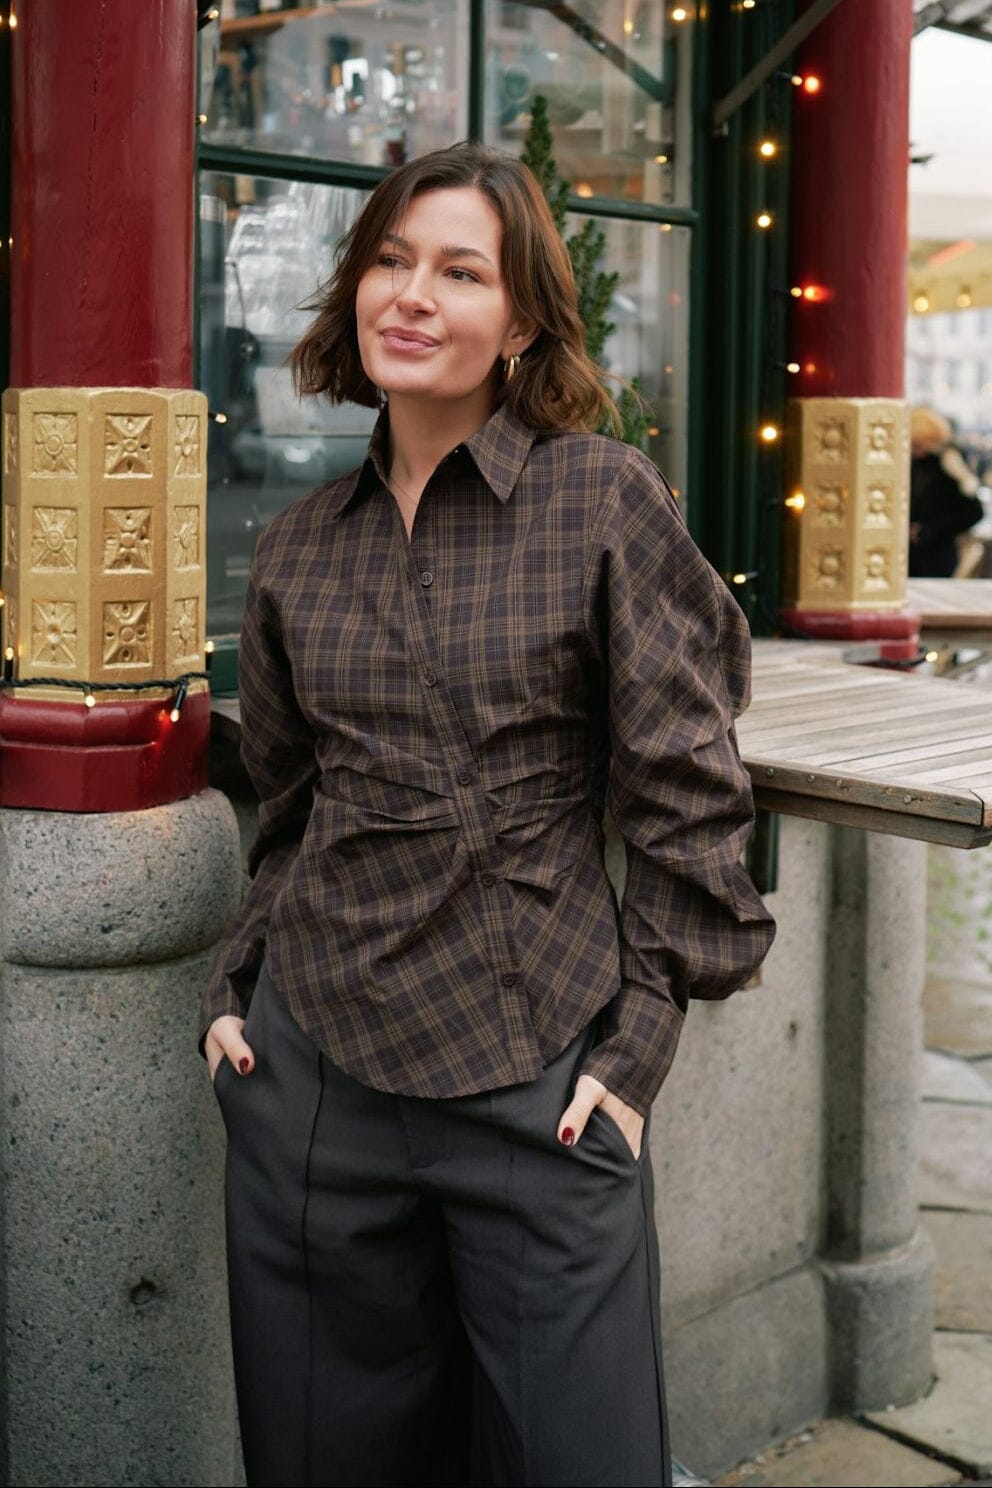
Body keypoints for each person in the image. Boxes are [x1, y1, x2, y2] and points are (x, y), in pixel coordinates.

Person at [201, 140, 776, 1488]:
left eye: (461, 272)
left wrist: (633, 1056)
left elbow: (691, 799)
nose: (412, 295)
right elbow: (291, 804)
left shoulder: (601, 500)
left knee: (582, 1460)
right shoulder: (297, 548)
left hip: (540, 1078)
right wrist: (238, 989)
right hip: (313, 1082)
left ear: (519, 324)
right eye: (390, 261)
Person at [909, 406, 984, 578]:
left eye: (919, 444)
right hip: (911, 554)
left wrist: (931, 530)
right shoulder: (913, 464)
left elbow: (972, 511)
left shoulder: (949, 464)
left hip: (936, 555)